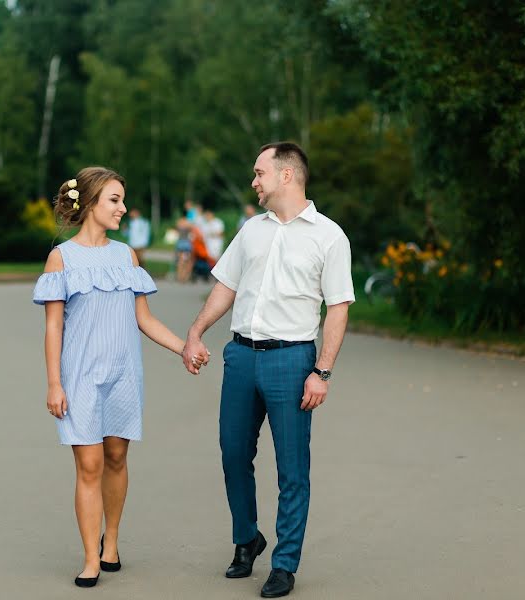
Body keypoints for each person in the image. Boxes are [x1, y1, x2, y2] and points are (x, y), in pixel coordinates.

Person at [181, 142, 355, 598]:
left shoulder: (329, 236)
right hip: (240, 357)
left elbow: (337, 307)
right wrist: (197, 331)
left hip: (292, 360)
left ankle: (284, 563)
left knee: (292, 468)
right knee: (233, 454)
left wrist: (323, 371)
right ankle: (247, 539)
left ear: (286, 176)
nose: (253, 181)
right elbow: (225, 287)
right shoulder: (250, 231)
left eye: (259, 172)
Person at [33, 166, 203, 588]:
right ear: (90, 202)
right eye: (114, 200)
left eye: (122, 200)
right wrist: (54, 383)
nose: (123, 209)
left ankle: (112, 544)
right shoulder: (62, 258)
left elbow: (143, 318)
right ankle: (91, 557)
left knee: (116, 457)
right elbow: (53, 328)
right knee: (88, 465)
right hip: (80, 378)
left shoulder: (127, 255)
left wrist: (184, 345)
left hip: (124, 375)